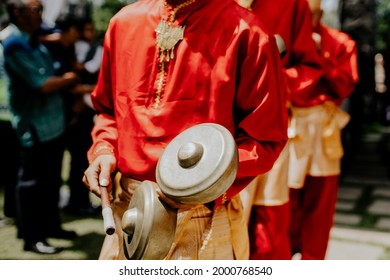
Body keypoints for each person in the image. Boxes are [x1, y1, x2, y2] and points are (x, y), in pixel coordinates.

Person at [82, 0, 288, 260]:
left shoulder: (248, 33)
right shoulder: (124, 23)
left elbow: (265, 137)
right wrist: (103, 151)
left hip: (203, 217)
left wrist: (197, 187)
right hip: (131, 215)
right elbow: (109, 110)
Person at [237, 0, 323, 260]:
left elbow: (308, 66)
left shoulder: (290, 3)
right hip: (209, 130)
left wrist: (270, 80)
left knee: (267, 234)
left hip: (267, 134)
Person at [3, 0, 79, 254]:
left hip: (53, 123)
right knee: (32, 183)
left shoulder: (36, 39)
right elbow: (41, 83)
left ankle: (51, 227)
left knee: (51, 181)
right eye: (35, 10)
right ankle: (31, 237)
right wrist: (69, 79)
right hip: (34, 125)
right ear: (17, 13)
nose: (40, 15)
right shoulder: (14, 43)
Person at [288, 0, 359, 260]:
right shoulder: (288, 41)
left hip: (324, 127)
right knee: (286, 198)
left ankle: (313, 260)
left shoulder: (341, 42)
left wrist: (320, 56)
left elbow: (344, 85)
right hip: (293, 125)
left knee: (321, 199)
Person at [42, 14, 97, 217]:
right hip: (66, 115)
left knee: (79, 160)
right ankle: (73, 203)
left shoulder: (69, 49)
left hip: (76, 113)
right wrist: (81, 87)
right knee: (69, 162)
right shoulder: (54, 48)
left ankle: (78, 200)